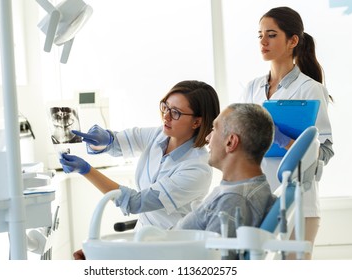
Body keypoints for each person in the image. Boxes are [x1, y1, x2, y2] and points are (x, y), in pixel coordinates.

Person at [60, 80, 220, 231]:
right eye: (166, 107)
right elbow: (117, 143)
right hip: (144, 235)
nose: (166, 116)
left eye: (176, 112)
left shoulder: (197, 169)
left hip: (172, 243)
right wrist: (103, 140)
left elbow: (135, 203)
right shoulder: (159, 135)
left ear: (197, 122)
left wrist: (86, 170)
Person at [240, 6, 334, 259]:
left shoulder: (310, 89)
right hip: (257, 201)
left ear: (293, 40)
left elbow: (325, 149)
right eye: (260, 35)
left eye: (271, 34)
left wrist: (286, 142)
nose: (263, 41)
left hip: (299, 207)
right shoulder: (251, 88)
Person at [173, 103, 276, 260]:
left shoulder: (233, 201)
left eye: (214, 129)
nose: (207, 138)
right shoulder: (246, 188)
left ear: (231, 142)